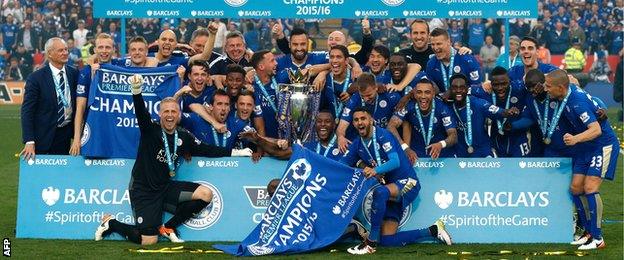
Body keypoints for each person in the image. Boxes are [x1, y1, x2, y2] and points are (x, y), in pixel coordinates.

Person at [94, 74, 252, 245]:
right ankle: (111, 223)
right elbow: (141, 112)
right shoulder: (150, 130)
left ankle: (168, 227)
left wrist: (235, 152)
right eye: (166, 112)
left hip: (166, 188)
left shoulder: (184, 136)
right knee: (149, 241)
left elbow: (206, 149)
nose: (170, 115)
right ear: (160, 114)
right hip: (144, 191)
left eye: (173, 112)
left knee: (205, 194)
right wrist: (136, 91)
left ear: (178, 115)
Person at [340, 107, 452, 255]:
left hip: (408, 183)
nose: (360, 122)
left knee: (379, 193)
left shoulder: (383, 135)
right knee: (387, 241)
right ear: (353, 123)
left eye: (363, 118)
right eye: (356, 120)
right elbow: (341, 164)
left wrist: (375, 170)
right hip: (389, 193)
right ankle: (434, 230)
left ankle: (370, 243)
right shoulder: (357, 144)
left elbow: (395, 162)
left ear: (371, 120)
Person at [543, 70, 620, 250]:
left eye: (548, 86)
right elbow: (573, 82)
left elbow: (596, 130)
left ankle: (598, 237)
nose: (546, 89)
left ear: (560, 88)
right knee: (576, 187)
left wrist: (575, 139)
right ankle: (587, 232)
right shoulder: (567, 92)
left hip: (601, 145)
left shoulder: (577, 102)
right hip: (586, 147)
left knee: (590, 187)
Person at [20, 37, 78, 160]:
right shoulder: (36, 78)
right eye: (60, 50)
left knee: (63, 176)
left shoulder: (74, 73)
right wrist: (29, 141)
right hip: (43, 136)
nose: (65, 53)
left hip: (66, 134)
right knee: (42, 177)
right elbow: (27, 111)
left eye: (66, 49)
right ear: (50, 54)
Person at [448, 73, 519, 157]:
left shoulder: (478, 103)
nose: (458, 90)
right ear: (450, 89)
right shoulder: (446, 106)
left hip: (482, 151)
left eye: (462, 87)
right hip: (459, 152)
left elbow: (498, 111)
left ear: (467, 89)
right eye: (454, 88)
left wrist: (509, 112)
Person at [70, 33, 116, 156]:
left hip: (116, 130)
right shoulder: (85, 73)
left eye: (108, 47)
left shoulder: (121, 69)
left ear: (113, 49)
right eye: (100, 47)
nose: (104, 51)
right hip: (93, 129)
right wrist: (76, 138)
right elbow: (80, 108)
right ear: (95, 50)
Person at [336, 73, 401, 152]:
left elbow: (404, 119)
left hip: (387, 141)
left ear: (376, 88)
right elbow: (342, 125)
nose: (366, 99)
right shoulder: (354, 100)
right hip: (365, 143)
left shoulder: (390, 96)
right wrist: (340, 137)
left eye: (369, 95)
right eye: (363, 96)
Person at [180, 89, 249, 150]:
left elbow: (255, 139)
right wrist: (177, 95)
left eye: (226, 104)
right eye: (219, 104)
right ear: (211, 107)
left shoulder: (236, 123)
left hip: (227, 163)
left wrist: (256, 139)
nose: (223, 108)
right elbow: (175, 116)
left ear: (229, 108)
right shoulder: (197, 119)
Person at [426, 28, 482, 94]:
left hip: (466, 102)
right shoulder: (431, 64)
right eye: (432, 44)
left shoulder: (468, 60)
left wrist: (455, 93)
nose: (435, 48)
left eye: (439, 44)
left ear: (449, 42)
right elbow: (431, 90)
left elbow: (477, 88)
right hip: (442, 102)